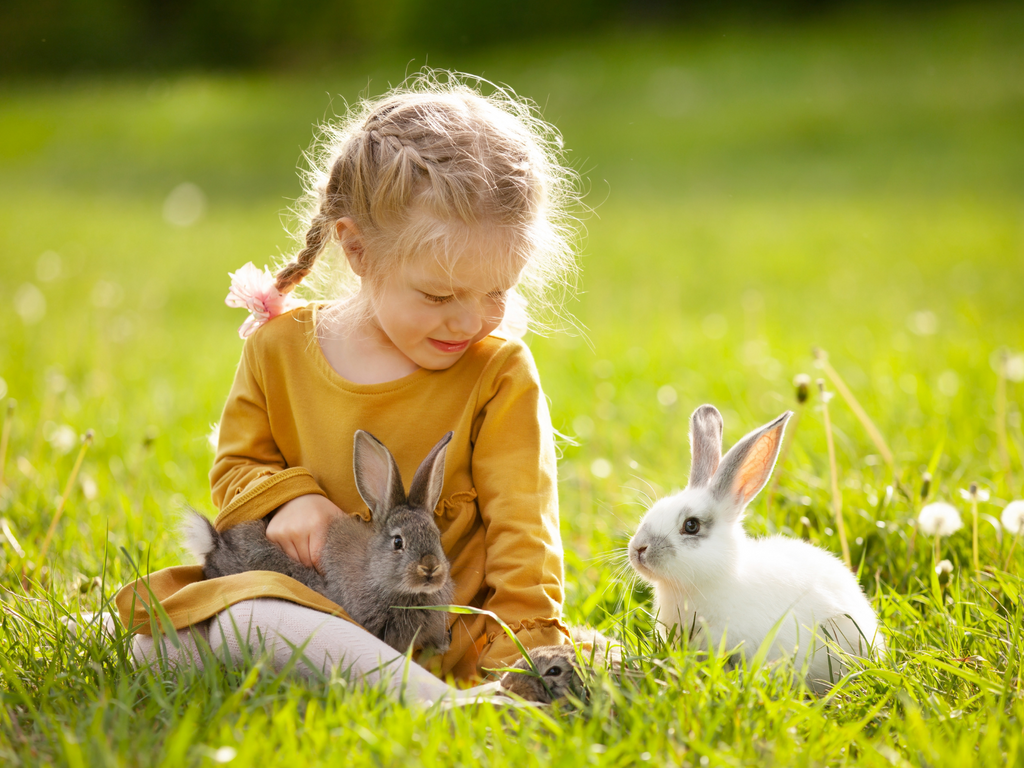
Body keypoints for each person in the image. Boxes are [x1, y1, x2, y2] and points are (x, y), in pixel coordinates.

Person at [112, 71, 580, 703]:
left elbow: (524, 529)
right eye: (439, 295)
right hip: (309, 609)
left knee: (194, 642)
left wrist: (526, 643)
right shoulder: (279, 349)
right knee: (214, 624)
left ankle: (443, 702)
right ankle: (393, 688)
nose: (471, 321)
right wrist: (289, 499)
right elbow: (236, 467)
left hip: (439, 628)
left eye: (497, 292)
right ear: (358, 250)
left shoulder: (499, 375)